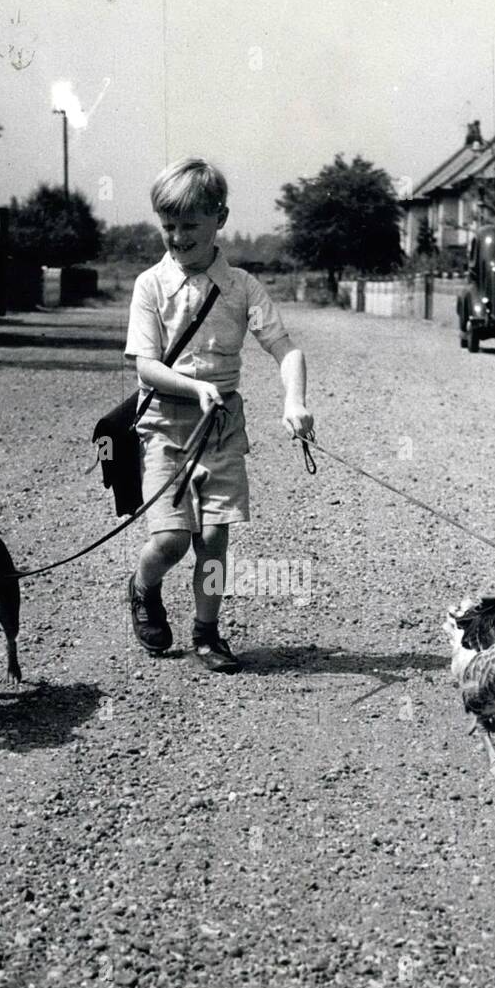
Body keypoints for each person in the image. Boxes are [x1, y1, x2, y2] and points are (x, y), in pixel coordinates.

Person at [124, 157, 313, 673]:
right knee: (170, 539)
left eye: (189, 225)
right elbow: (145, 367)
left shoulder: (243, 288)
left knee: (212, 538)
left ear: (219, 219)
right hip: (165, 426)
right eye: (168, 225)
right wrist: (196, 386)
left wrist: (294, 400)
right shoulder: (150, 286)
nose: (177, 236)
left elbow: (285, 349)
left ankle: (207, 633)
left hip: (224, 429)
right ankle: (143, 587)